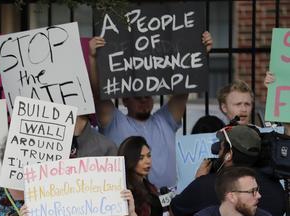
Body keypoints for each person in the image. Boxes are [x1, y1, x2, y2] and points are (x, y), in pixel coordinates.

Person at [88, 32, 213, 189]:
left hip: (167, 203)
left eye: (147, 96)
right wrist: (92, 58)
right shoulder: (115, 121)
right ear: (125, 100)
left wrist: (202, 54)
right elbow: (98, 94)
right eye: (138, 97)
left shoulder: (165, 120)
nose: (143, 101)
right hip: (128, 200)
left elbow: (184, 88)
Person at [170, 125, 286, 216]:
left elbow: (175, 212)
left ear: (228, 155)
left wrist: (199, 181)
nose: (218, 152)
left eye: (221, 148)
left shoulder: (207, 185)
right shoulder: (276, 188)